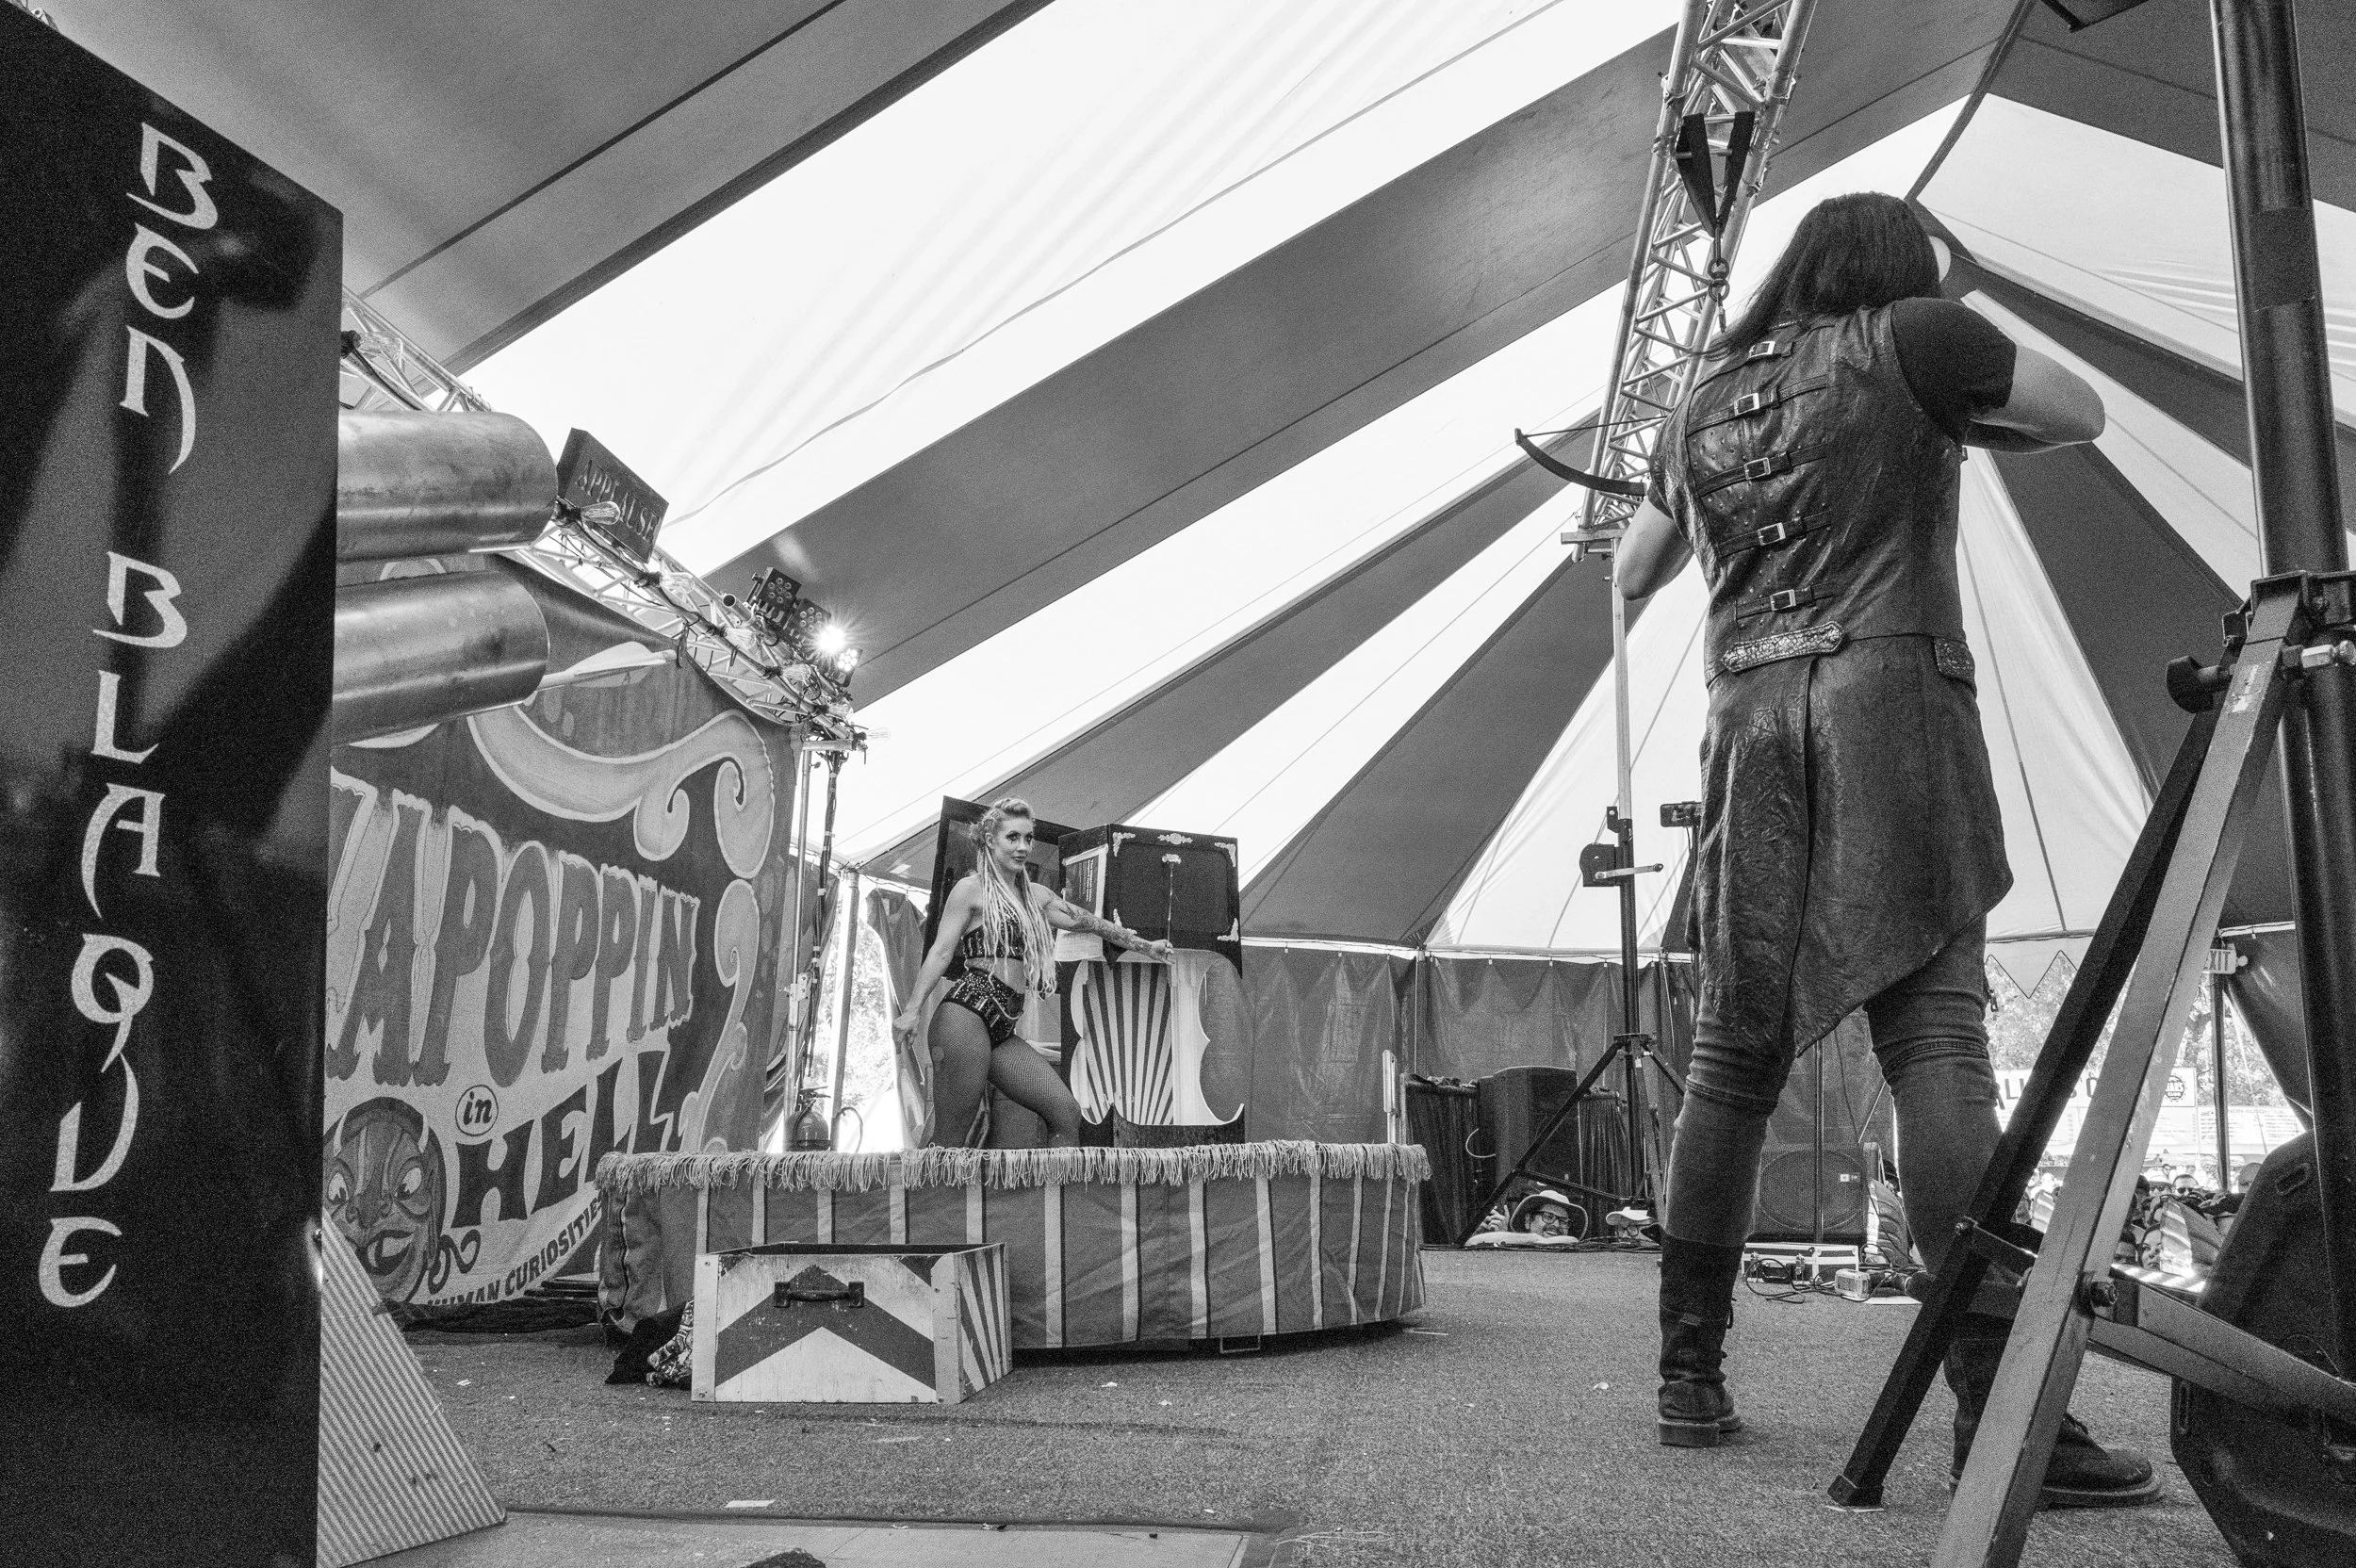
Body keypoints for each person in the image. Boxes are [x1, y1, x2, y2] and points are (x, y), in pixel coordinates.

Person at [1615, 193, 2158, 1506]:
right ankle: (1996, 1406)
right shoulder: (1919, 334)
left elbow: (1633, 569)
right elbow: (2082, 409)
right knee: (1936, 1041)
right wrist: (1968, 415)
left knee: (1730, 1061)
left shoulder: (1700, 402)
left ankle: (1691, 1377)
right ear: (1895, 269)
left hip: (1748, 729)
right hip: (1891, 713)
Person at [893, 798, 1175, 1147]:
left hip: (1003, 1025)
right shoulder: (971, 890)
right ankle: (926, 1201)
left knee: (1066, 1113)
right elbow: (941, 952)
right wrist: (911, 1011)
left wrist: (1147, 946)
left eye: (1028, 838)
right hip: (966, 1016)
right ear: (989, 840)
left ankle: (1054, 1201)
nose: (1023, 847)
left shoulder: (1037, 896)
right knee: (951, 1139)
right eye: (1013, 838)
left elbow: (1088, 922)